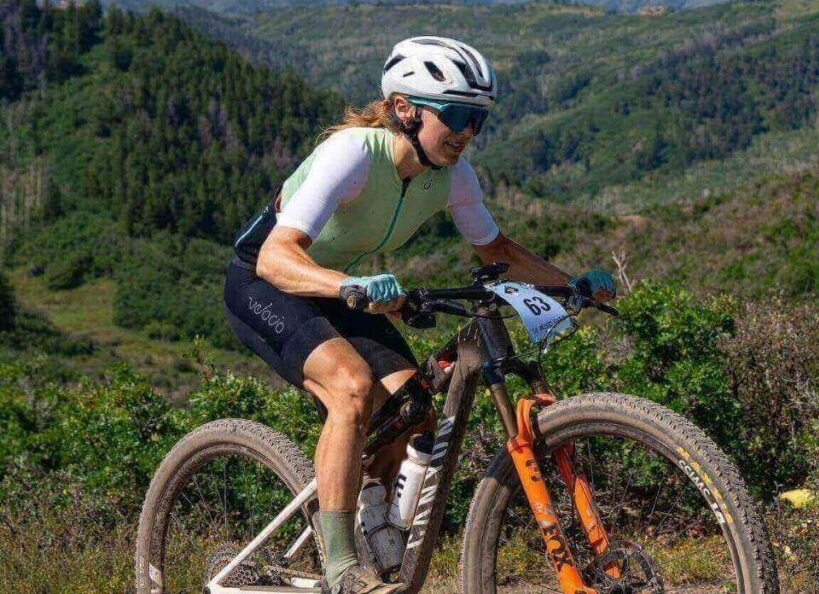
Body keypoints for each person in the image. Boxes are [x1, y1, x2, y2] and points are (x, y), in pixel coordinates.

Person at [222, 36, 615, 594]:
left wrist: (569, 283)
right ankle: (340, 568)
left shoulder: (453, 176)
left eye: (478, 120)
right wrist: (351, 285)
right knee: (352, 387)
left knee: (414, 407)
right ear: (404, 109)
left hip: (341, 289)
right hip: (265, 279)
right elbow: (275, 255)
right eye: (456, 115)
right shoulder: (355, 153)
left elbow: (496, 251)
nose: (468, 133)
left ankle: (368, 511)